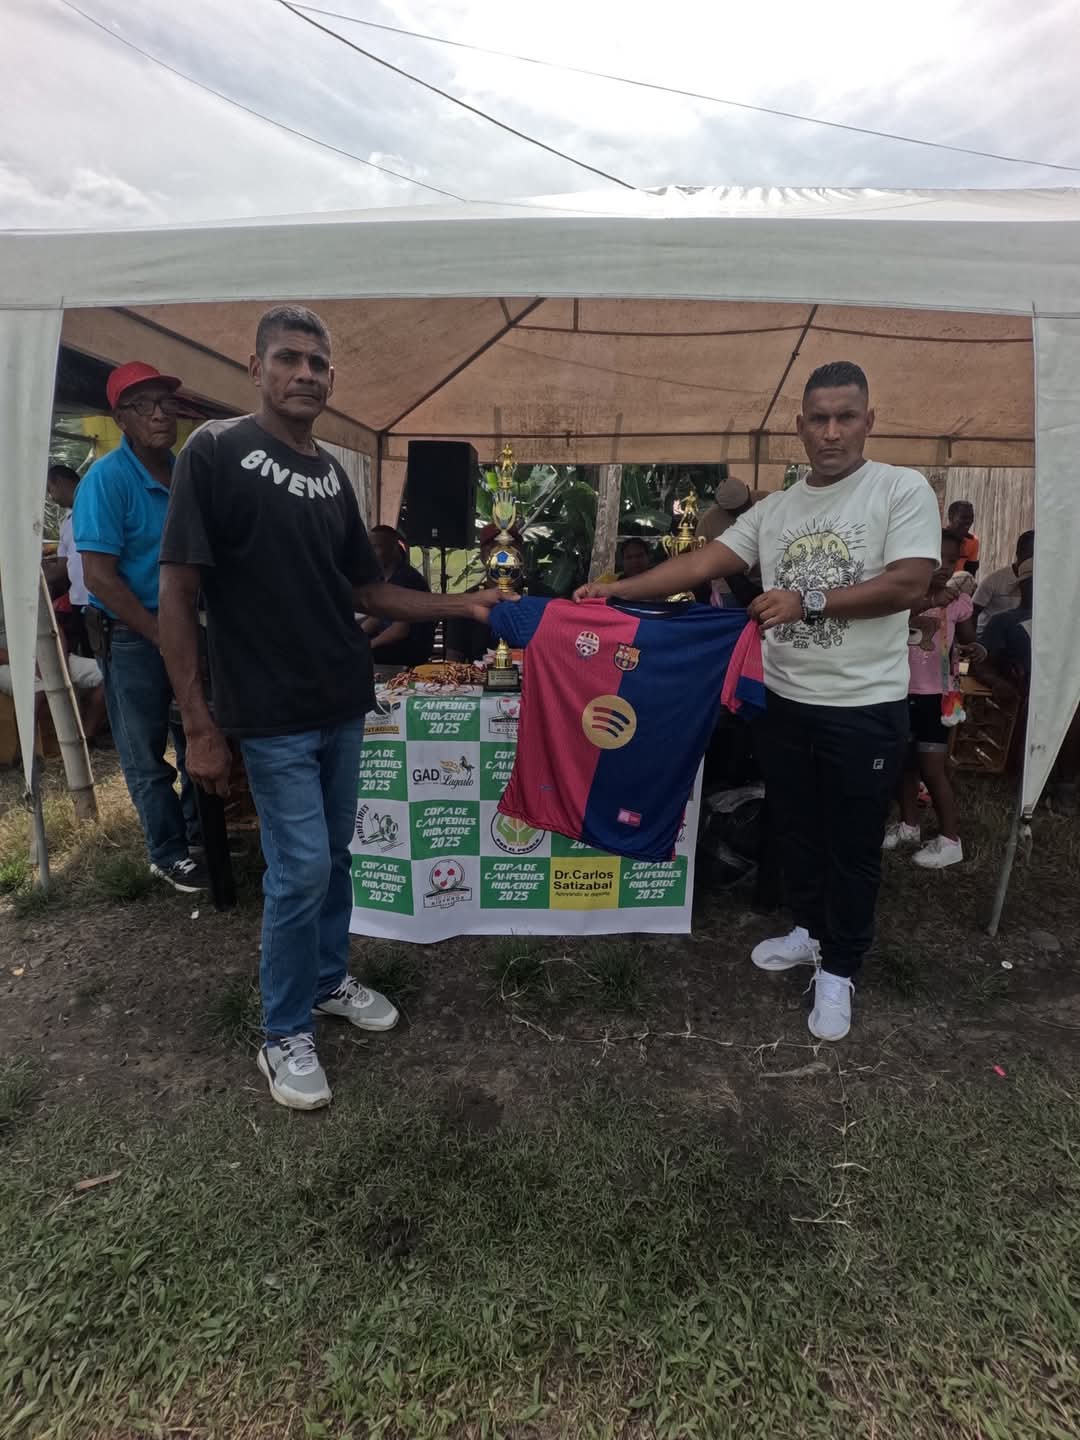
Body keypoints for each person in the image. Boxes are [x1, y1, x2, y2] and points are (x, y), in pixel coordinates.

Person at [158, 304, 505, 1112]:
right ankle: (283, 1032)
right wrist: (199, 723)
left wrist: (464, 604)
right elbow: (177, 593)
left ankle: (325, 981)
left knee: (337, 856)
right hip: (268, 708)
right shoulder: (215, 451)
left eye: (318, 363)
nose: (306, 374)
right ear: (256, 368)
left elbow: (369, 590)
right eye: (289, 358)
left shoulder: (331, 477)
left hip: (343, 701)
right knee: (301, 868)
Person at [575, 360, 940, 1041]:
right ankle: (808, 929)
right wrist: (617, 589)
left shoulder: (899, 488)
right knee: (794, 826)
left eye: (846, 417)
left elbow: (909, 584)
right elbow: (700, 562)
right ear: (799, 427)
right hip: (785, 700)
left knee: (851, 842)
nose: (832, 432)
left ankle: (841, 966)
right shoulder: (776, 509)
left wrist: (809, 600)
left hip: (863, 707)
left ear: (869, 421)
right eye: (819, 419)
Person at [72, 362, 204, 893]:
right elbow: (99, 578)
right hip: (131, 635)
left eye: (166, 403)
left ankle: (199, 836)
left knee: (198, 735)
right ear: (120, 418)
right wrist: (159, 634)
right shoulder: (106, 481)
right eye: (143, 405)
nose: (159, 414)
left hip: (188, 628)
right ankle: (168, 853)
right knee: (145, 752)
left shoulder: (184, 473)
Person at [883, 530, 976, 870]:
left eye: (951, 560)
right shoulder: (902, 597)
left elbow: (968, 639)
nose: (944, 566)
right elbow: (887, 622)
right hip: (899, 690)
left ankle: (951, 840)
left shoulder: (957, 602)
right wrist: (928, 601)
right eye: (937, 559)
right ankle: (909, 825)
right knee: (903, 763)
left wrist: (971, 642)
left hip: (935, 697)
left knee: (932, 768)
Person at [0, 571, 106, 739]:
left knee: (106, 675)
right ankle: (27, 749)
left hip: (46, 655)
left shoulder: (21, 586)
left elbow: (55, 628)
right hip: (9, 663)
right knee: (36, 688)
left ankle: (85, 737)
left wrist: (59, 661)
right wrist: (27, 662)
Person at [444, 522, 526, 662]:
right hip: (479, 675)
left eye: (511, 547)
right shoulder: (467, 601)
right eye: (495, 548)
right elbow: (453, 659)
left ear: (521, 554)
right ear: (483, 557)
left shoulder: (543, 597)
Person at [361, 525, 435, 667]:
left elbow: (400, 630)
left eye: (376, 547)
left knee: (359, 656)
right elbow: (376, 618)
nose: (371, 554)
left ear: (394, 548)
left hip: (410, 648)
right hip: (393, 642)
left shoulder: (407, 579)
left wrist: (368, 646)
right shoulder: (382, 578)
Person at [44, 465, 92, 657]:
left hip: (102, 599)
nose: (51, 497)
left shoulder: (95, 505)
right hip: (79, 600)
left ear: (60, 482)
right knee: (90, 655)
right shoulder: (66, 522)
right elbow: (63, 566)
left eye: (50, 489)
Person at [972, 529, 1034, 636]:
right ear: (1019, 553)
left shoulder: (1041, 581)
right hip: (990, 635)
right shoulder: (994, 580)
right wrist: (974, 640)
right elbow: (972, 613)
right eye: (1031, 554)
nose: (1034, 559)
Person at [947, 500, 979, 575]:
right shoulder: (940, 539)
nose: (968, 521)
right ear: (951, 517)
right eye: (963, 517)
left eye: (971, 517)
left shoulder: (972, 541)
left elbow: (970, 573)